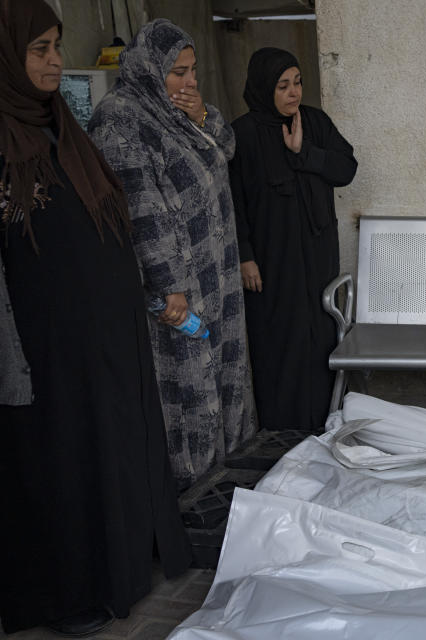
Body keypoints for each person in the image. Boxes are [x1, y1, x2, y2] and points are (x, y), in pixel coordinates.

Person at [0, 1, 191, 635]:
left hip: (108, 331)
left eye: (58, 47)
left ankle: (129, 566)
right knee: (67, 460)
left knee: (115, 445)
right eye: (40, 50)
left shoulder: (62, 128)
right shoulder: (4, 141)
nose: (56, 61)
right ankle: (71, 594)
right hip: (47, 348)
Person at [88, 19, 256, 487]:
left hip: (213, 276)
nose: (189, 82)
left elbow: (227, 149)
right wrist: (169, 287)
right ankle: (190, 492)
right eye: (177, 72)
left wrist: (203, 114)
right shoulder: (120, 119)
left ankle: (227, 479)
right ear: (148, 69)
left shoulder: (179, 110)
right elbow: (140, 209)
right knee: (187, 391)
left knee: (222, 375)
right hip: (175, 290)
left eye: (193, 70)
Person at [229, 48, 357, 429]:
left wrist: (306, 153)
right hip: (272, 259)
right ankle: (279, 428)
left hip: (318, 254)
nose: (293, 93)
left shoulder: (314, 123)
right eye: (283, 85)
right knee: (279, 340)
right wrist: (245, 255)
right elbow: (234, 200)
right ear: (264, 87)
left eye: (298, 82)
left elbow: (346, 168)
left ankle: (323, 419)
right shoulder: (244, 135)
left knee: (320, 335)